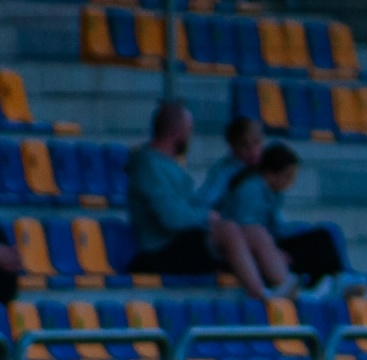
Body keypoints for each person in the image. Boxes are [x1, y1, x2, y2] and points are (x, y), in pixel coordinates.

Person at [124, 101, 288, 300]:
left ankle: (288, 287)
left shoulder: (169, 165)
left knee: (255, 233)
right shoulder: (149, 167)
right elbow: (172, 219)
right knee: (227, 230)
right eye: (189, 130)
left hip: (182, 240)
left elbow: (190, 206)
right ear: (177, 132)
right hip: (159, 249)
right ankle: (260, 293)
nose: (190, 136)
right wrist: (207, 217)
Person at [217, 142, 348, 289]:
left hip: (270, 241)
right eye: (288, 176)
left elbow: (275, 226)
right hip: (257, 251)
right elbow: (247, 231)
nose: (290, 182)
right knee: (319, 242)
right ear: (271, 173)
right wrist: (274, 252)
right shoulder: (250, 191)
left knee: (324, 232)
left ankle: (334, 279)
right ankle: (332, 282)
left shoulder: (271, 193)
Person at [196, 116, 264, 208]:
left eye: (256, 142)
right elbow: (206, 200)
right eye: (244, 144)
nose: (252, 150)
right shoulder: (224, 172)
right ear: (232, 146)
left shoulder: (264, 170)